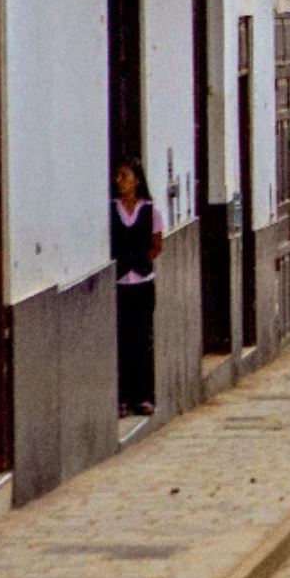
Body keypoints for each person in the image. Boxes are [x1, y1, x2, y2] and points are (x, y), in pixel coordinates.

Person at [111, 160, 164, 418]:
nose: (119, 181)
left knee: (143, 339)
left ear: (137, 180)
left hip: (143, 282)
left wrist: (143, 261)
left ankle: (144, 397)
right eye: (118, 177)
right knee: (122, 340)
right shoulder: (112, 210)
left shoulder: (150, 211)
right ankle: (123, 398)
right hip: (120, 284)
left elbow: (157, 244)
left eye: (124, 176)